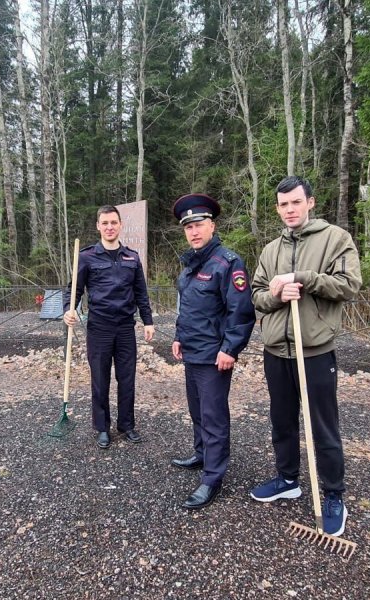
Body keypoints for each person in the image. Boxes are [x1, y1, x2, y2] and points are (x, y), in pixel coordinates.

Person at [249, 176, 362, 537]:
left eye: (296, 202)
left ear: (310, 202)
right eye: (283, 204)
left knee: (321, 426)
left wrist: (305, 278)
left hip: (314, 351)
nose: (290, 210)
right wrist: (277, 295)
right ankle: (287, 479)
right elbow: (256, 296)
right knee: (282, 421)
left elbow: (348, 285)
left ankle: (333, 494)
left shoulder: (335, 239)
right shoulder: (270, 250)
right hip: (276, 351)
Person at [170, 193, 255, 510]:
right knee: (197, 411)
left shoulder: (227, 263)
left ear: (212, 226)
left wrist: (231, 349)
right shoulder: (190, 265)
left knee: (214, 417)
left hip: (214, 357)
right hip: (192, 352)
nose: (193, 231)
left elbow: (241, 311)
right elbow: (187, 309)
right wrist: (179, 336)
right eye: (188, 226)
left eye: (199, 224)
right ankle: (202, 453)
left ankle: (212, 478)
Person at [63, 205, 155, 449]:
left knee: (127, 379)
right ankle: (102, 427)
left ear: (120, 224)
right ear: (98, 226)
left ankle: (126, 425)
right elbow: (73, 290)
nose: (109, 227)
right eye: (105, 223)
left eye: (113, 222)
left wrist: (148, 321)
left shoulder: (131, 258)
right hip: (99, 328)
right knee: (100, 380)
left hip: (125, 328)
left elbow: (141, 293)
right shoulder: (86, 256)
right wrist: (69, 310)